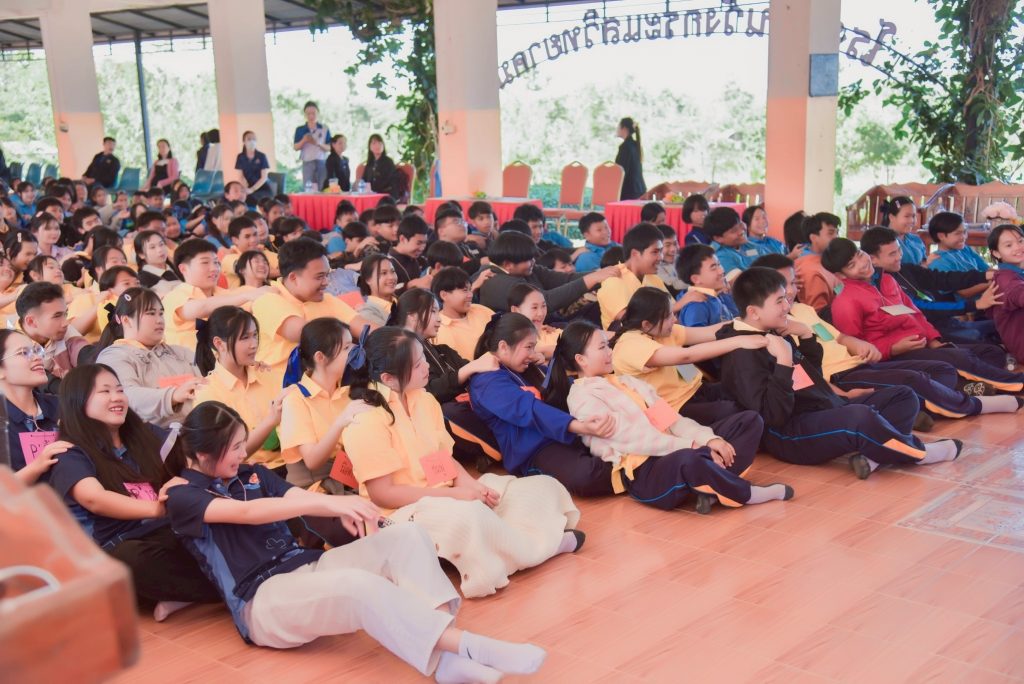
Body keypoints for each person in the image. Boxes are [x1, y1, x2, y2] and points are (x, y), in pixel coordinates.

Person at [163, 401, 548, 682]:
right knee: (358, 585)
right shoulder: (181, 496)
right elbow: (249, 513)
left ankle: (447, 661)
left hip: (306, 566)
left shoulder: (251, 474)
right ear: (202, 454)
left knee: (407, 536)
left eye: (241, 443)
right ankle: (469, 646)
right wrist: (333, 502)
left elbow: (294, 497)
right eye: (233, 447)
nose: (242, 452)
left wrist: (344, 506)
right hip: (261, 601)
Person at [341, 325, 582, 598]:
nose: (426, 367)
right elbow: (383, 494)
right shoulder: (366, 419)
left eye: (424, 359)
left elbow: (441, 458)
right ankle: (544, 546)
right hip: (400, 514)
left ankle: (518, 548)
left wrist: (472, 487)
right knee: (471, 516)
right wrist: (456, 496)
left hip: (444, 494)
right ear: (389, 378)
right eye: (417, 365)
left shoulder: (424, 400)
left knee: (540, 487)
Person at [717, 267, 963, 479]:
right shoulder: (743, 352)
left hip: (822, 406)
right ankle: (919, 453)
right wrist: (783, 362)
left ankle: (876, 455)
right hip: (789, 433)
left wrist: (806, 336)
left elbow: (811, 376)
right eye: (779, 301)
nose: (787, 305)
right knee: (860, 417)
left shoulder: (775, 331)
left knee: (902, 396)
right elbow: (772, 416)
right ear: (754, 312)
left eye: (786, 298)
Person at [547, 321, 791, 513]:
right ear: (581, 359)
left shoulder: (627, 382)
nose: (610, 352)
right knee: (689, 459)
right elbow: (633, 439)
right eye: (602, 348)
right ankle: (743, 493)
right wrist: (692, 446)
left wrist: (708, 440)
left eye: (608, 345)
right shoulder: (582, 397)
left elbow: (671, 420)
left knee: (749, 421)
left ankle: (711, 485)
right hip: (645, 470)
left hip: (676, 447)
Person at [751, 252, 1021, 422]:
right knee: (918, 378)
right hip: (840, 375)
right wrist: (839, 390)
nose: (793, 289)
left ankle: (926, 406)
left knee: (944, 369)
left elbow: (841, 337)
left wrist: (859, 344)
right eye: (785, 284)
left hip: (862, 362)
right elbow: (799, 373)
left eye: (793, 282)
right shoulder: (775, 326)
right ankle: (979, 402)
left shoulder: (804, 310)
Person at [50, 364, 221, 619]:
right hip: (119, 545)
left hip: (165, 530)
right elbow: (94, 498)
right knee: (130, 561)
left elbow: (193, 458)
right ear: (78, 401)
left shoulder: (142, 434)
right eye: (105, 391)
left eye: (119, 390)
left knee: (208, 524)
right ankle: (225, 587)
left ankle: (187, 593)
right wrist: (156, 509)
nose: (116, 397)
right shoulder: (70, 452)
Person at [822, 237, 1024, 393]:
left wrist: (934, 340)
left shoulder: (887, 280)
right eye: (852, 265)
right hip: (892, 357)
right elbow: (855, 349)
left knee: (990, 352)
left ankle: (970, 387)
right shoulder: (846, 301)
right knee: (958, 357)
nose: (862, 263)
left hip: (921, 343)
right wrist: (892, 348)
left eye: (859, 254)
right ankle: (1014, 384)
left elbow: (916, 313)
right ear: (840, 275)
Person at [396, 288, 501, 462]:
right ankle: (500, 450)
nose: (439, 319)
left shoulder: (441, 350)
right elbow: (429, 392)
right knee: (448, 412)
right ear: (412, 316)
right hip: (427, 423)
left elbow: (470, 368)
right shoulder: (399, 352)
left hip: (456, 413)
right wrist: (466, 371)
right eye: (432, 312)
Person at [252, 238, 364, 387]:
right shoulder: (268, 300)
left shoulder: (326, 299)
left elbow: (367, 329)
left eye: (327, 275)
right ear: (294, 278)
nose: (326, 282)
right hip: (283, 392)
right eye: (320, 277)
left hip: (327, 389)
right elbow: (308, 336)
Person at [859, 227, 997, 345]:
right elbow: (921, 308)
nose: (899, 256)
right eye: (892, 254)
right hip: (929, 332)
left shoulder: (905, 269)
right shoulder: (878, 285)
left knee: (999, 326)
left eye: (899, 250)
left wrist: (984, 276)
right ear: (872, 259)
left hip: (945, 323)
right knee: (988, 344)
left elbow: (943, 279)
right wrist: (974, 305)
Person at [95, 287, 204, 426]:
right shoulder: (114, 356)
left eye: (161, 313)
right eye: (151, 313)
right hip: (153, 435)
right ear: (126, 320)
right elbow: (127, 395)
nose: (159, 320)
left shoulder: (182, 352)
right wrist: (173, 395)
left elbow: (208, 384)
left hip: (200, 428)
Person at [478, 230, 616, 319]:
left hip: (552, 323)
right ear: (508, 264)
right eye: (528, 259)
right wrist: (591, 279)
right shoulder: (494, 280)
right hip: (528, 336)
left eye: (533, 258)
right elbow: (546, 302)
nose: (533, 262)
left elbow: (565, 279)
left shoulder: (528, 269)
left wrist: (600, 274)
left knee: (601, 308)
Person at [162, 238, 267, 350]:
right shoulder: (174, 296)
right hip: (189, 360)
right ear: (183, 269)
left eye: (216, 262)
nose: (214, 268)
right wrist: (246, 296)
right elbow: (200, 308)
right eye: (205, 263)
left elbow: (253, 306)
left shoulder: (226, 295)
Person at [0, 329, 70, 485]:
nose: (37, 357)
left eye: (36, 350)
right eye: (23, 353)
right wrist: (37, 466)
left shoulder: (62, 406)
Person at [15, 282, 89, 392]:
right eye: (57, 316)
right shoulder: (11, 348)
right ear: (31, 321)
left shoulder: (63, 331)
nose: (65, 323)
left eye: (65, 314)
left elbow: (85, 353)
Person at [597, 222, 672, 329]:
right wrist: (682, 303)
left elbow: (672, 311)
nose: (660, 257)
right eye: (655, 252)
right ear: (635, 254)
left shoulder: (653, 278)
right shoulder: (614, 280)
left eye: (660, 251)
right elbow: (631, 321)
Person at [432, 266, 494, 362]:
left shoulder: (481, 310)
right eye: (465, 290)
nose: (470, 295)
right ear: (444, 295)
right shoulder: (437, 329)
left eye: (470, 289)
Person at [987, 224, 1024, 366]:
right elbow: (1018, 294)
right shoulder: (1005, 278)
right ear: (996, 253)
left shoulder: (1015, 272)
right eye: (1009, 245)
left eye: (1020, 241)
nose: (1018, 247)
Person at [676, 245, 738, 327]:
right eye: (713, 268)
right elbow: (696, 334)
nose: (721, 271)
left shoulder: (718, 293)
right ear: (696, 279)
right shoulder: (696, 305)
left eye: (719, 264)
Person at [794, 212, 842, 312]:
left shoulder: (830, 259)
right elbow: (818, 313)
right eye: (831, 233)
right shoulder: (811, 270)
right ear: (813, 238)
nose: (836, 237)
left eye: (837, 232)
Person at [927, 211, 991, 276]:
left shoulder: (965, 249)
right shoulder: (939, 262)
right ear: (941, 236)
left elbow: (987, 269)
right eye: (957, 233)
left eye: (964, 232)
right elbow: (954, 283)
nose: (964, 237)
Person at [508, 283, 560, 359]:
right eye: (534, 307)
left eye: (543, 306)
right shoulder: (509, 339)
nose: (541, 313)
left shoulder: (553, 333)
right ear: (515, 310)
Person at [880, 196, 927, 266]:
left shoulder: (916, 240)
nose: (912, 221)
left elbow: (924, 262)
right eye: (907, 216)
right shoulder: (883, 241)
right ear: (891, 217)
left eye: (913, 216)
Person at [293, 101, 331, 189]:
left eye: (313, 113)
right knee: (308, 188)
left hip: (321, 161)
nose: (311, 116)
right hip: (307, 161)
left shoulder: (324, 128)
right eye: (308, 114)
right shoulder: (300, 129)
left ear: (318, 113)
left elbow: (329, 147)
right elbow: (295, 147)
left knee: (322, 187)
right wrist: (304, 140)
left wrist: (319, 144)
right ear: (305, 115)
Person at [356, 254, 399, 327]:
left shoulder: (400, 301)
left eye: (393, 271)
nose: (391, 277)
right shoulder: (367, 312)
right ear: (368, 280)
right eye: (384, 273)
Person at [389, 215, 432, 290]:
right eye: (419, 243)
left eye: (424, 243)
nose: (422, 248)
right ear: (403, 239)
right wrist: (409, 285)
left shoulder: (421, 260)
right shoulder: (387, 263)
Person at [134, 230, 180, 296]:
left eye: (161, 244)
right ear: (141, 254)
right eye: (152, 247)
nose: (160, 250)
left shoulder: (177, 267)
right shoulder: (143, 281)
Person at [235, 131, 273, 202]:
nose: (252, 141)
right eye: (249, 139)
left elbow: (264, 177)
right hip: (249, 187)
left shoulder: (261, 156)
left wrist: (252, 189)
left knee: (250, 199)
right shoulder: (240, 157)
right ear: (244, 141)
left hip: (263, 188)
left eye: (254, 139)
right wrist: (244, 189)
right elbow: (241, 177)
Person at [614, 117, 646, 200]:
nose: (617, 129)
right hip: (639, 189)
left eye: (618, 127)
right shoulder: (635, 145)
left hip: (629, 191)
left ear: (624, 128)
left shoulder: (625, 147)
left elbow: (621, 171)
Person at [362, 134, 401, 200]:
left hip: (387, 195)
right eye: (374, 143)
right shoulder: (370, 163)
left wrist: (372, 191)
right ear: (370, 147)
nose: (377, 146)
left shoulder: (388, 162)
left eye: (380, 143)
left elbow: (386, 182)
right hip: (372, 195)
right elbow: (364, 180)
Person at [656, 224, 686, 294]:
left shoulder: (681, 259)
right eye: (667, 245)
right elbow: (675, 285)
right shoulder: (655, 267)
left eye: (675, 244)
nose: (673, 249)